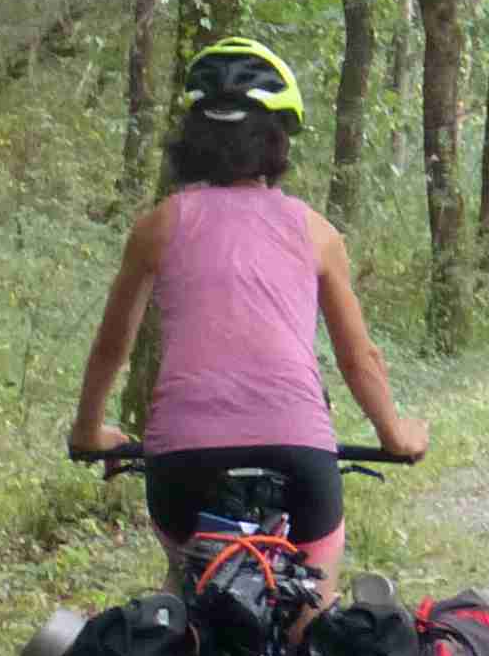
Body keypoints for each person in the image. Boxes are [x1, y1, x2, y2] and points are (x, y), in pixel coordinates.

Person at [68, 33, 428, 626]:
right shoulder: (315, 231)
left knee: (187, 602)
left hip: (183, 463)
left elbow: (113, 345)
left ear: (192, 142)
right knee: (313, 616)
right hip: (299, 453)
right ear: (278, 140)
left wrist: (89, 431)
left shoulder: (157, 227)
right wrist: (395, 434)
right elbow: (357, 356)